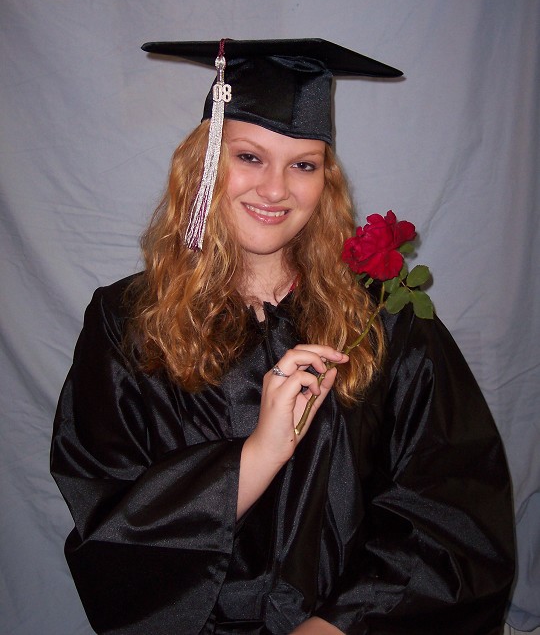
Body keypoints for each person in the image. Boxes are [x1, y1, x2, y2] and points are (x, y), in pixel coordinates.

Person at [51, 39, 515, 635]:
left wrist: (336, 625)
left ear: (326, 180)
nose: (275, 190)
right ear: (204, 164)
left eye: (304, 164)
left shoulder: (384, 320)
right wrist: (257, 456)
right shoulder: (127, 322)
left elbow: (453, 507)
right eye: (250, 157)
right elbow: (108, 526)